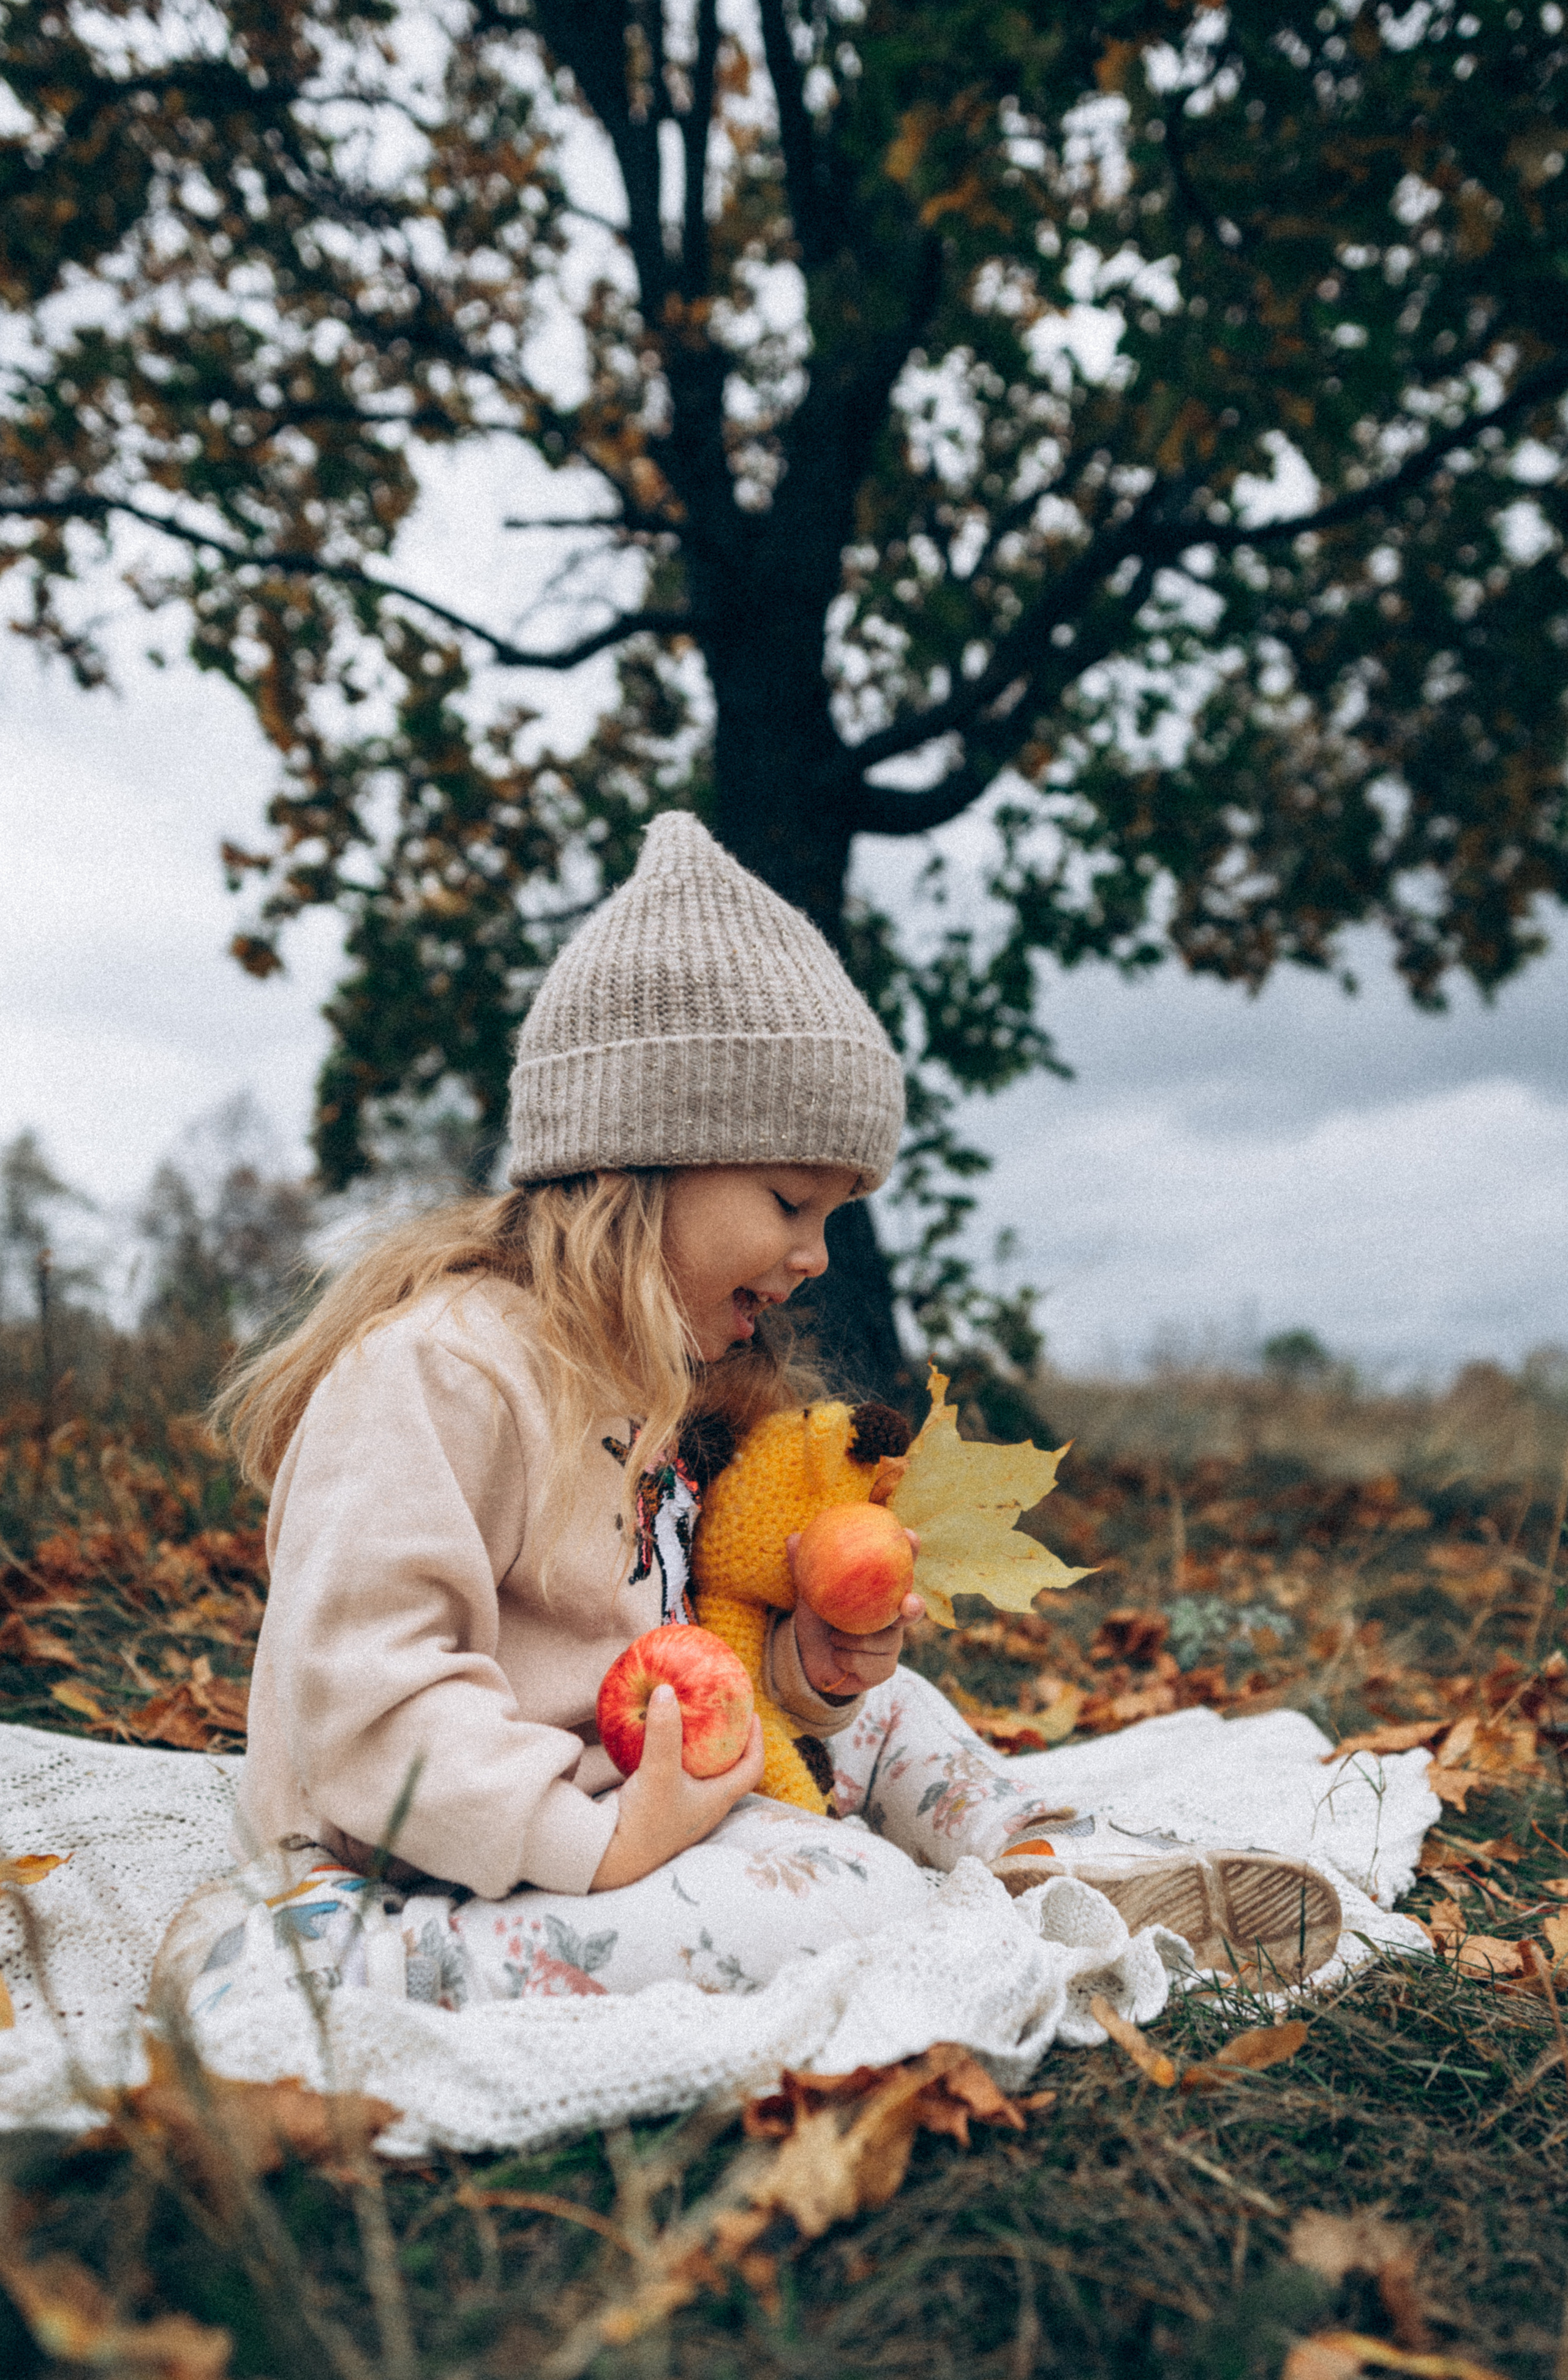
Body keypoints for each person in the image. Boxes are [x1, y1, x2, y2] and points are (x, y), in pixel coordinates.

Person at [153, 815, 1340, 2017]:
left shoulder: (666, 1383)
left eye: (832, 1214)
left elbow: (677, 1621)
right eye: (789, 1199)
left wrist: (804, 1669)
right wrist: (593, 1834)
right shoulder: (445, 1371)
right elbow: (361, 1689)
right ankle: (343, 1962)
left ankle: (1047, 1860)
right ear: (637, 1158)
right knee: (847, 1896)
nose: (814, 1254)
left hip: (636, 1775)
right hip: (424, 1843)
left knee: (887, 1711)